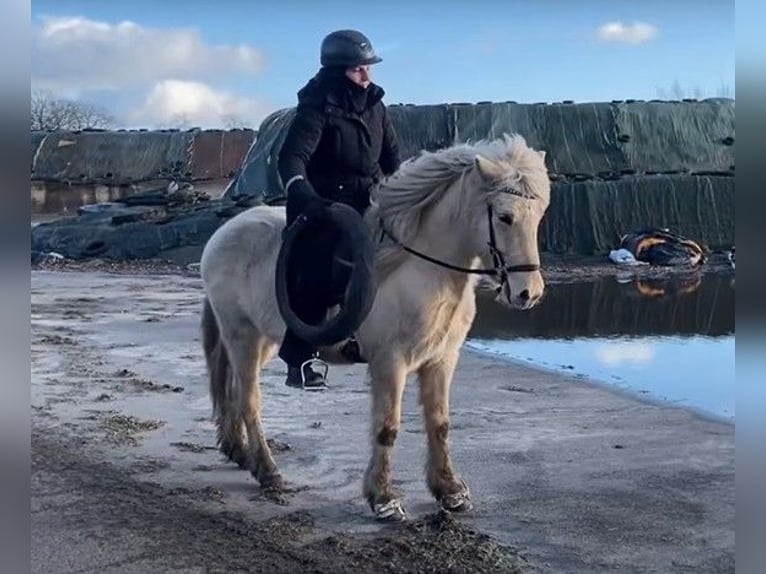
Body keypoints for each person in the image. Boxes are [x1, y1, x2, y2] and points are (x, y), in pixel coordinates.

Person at [277, 29, 402, 390]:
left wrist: (405, 193)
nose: (366, 76)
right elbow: (292, 157)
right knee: (321, 268)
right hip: (326, 203)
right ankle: (300, 359)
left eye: (368, 68)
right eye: (357, 69)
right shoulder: (317, 104)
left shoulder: (377, 106)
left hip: (372, 197)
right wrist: (302, 192)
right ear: (337, 72)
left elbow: (393, 159)